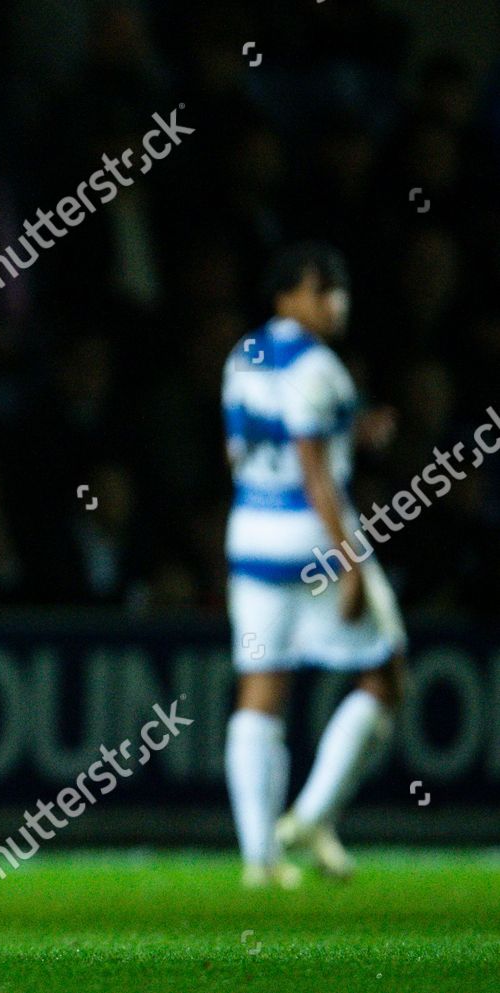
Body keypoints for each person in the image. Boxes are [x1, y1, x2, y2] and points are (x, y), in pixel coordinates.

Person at [220, 242, 405, 889]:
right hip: (314, 540)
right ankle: (309, 814)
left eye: (339, 286)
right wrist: (349, 560)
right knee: (385, 674)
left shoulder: (242, 354)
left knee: (261, 689)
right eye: (322, 287)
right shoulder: (320, 366)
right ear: (287, 296)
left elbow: (243, 451)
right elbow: (314, 471)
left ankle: (258, 859)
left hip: (251, 536)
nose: (336, 301)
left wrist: (352, 433)